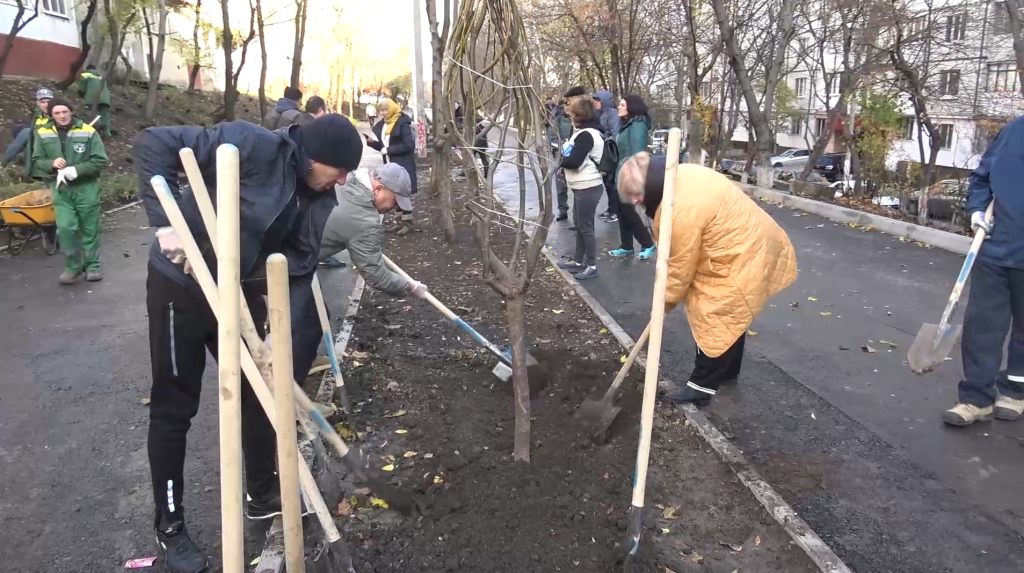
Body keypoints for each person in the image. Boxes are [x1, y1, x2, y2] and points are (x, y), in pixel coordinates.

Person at [132, 113, 362, 573]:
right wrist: (165, 226)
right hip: (182, 283)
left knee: (259, 392)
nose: (343, 179)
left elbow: (297, 271)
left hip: (237, 294)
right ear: (316, 159)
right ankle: (171, 525)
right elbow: (151, 142)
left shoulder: (317, 197)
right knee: (175, 408)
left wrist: (283, 341)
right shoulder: (250, 146)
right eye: (339, 170)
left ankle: (261, 493)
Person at [618, 152, 798, 406]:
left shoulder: (677, 211)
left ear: (648, 186)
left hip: (739, 252)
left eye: (636, 194)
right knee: (732, 315)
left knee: (713, 311)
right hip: (754, 239)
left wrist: (663, 303)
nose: (635, 201)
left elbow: (679, 269)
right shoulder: (680, 173)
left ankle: (701, 387)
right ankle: (727, 371)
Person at [942, 116, 1024, 426]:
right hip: (994, 249)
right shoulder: (1013, 133)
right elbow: (981, 179)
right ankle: (976, 399)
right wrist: (977, 209)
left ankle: (1015, 391)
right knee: (981, 326)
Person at [316, 163, 427, 298]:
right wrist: (409, 286)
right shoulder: (365, 221)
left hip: (290, 248)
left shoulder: (347, 178)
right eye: (394, 201)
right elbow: (377, 277)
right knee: (310, 316)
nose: (394, 207)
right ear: (379, 189)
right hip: (292, 265)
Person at [31, 99, 108, 284]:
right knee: (65, 228)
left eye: (65, 111)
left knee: (89, 228)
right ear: (51, 115)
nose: (62, 116)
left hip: (86, 187)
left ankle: (92, 267)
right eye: (57, 113)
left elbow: (100, 160)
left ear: (71, 111)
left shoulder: (88, 132)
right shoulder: (43, 133)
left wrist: (77, 170)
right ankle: (73, 267)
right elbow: (37, 159)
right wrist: (51, 164)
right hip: (61, 189)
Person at [556, 97, 605, 281]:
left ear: (579, 114)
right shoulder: (585, 132)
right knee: (580, 225)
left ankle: (591, 265)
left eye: (572, 111)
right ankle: (578, 261)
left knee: (585, 227)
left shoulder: (587, 135)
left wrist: (560, 161)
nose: (569, 114)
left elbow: (575, 161)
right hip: (582, 187)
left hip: (588, 187)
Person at [609, 95, 656, 261]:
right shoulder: (627, 124)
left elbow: (638, 153)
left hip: (629, 174)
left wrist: (634, 178)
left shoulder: (637, 124)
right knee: (622, 211)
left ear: (632, 107)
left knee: (629, 211)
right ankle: (626, 246)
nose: (618, 108)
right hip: (620, 172)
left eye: (622, 105)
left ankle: (647, 243)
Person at [365, 99, 418, 235]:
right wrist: (372, 143)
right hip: (390, 165)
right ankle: (399, 222)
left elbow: (408, 146)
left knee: (402, 194)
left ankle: (408, 223)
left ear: (392, 109)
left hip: (403, 165)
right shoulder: (384, 125)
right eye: (380, 110)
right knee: (393, 195)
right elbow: (383, 146)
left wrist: (389, 150)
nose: (382, 113)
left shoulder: (402, 124)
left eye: (385, 110)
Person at [593, 90, 620, 223]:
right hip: (602, 152)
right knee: (607, 183)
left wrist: (607, 143)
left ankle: (615, 211)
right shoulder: (598, 114)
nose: (596, 103)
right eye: (595, 100)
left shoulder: (613, 114)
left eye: (598, 100)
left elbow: (615, 133)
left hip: (610, 153)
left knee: (611, 183)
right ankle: (610, 209)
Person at [78, 66, 112, 136]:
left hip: (92, 98)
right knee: (104, 115)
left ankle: (95, 128)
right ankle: (107, 132)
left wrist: (82, 96)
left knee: (89, 112)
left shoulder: (85, 74)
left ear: (87, 69)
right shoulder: (101, 76)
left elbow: (81, 89)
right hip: (105, 99)